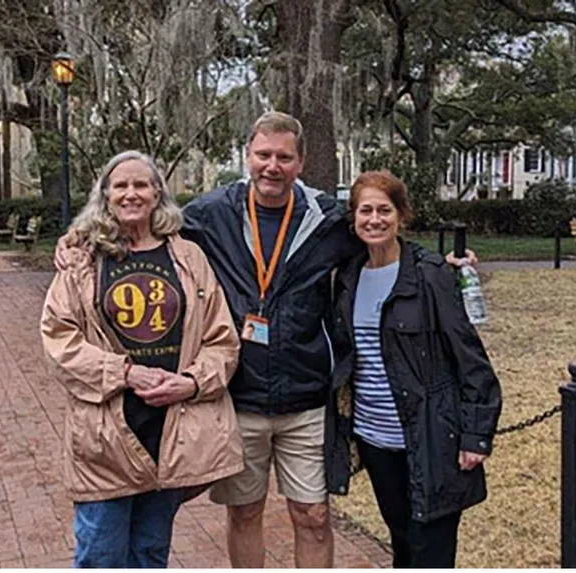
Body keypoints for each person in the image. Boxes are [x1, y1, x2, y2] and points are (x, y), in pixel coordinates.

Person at [55, 112, 476, 568]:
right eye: (263, 155)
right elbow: (142, 224)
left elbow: (381, 237)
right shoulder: (210, 214)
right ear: (247, 156)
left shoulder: (329, 219)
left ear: (301, 162)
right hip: (239, 399)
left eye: (283, 157)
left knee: (314, 516)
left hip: (306, 399)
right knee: (245, 513)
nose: (271, 166)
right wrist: (78, 234)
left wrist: (438, 265)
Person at [40, 150, 245, 568]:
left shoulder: (188, 258)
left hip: (170, 434)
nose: (131, 193)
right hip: (107, 434)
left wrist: (192, 381)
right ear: (106, 195)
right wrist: (126, 373)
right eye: (121, 185)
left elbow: (221, 339)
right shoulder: (83, 260)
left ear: (157, 194)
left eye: (140, 184)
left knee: (151, 553)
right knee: (101, 554)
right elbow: (59, 341)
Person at [324, 170, 502, 568]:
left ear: (401, 215)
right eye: (365, 210)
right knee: (402, 541)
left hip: (429, 435)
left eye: (384, 210)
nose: (374, 219)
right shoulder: (349, 277)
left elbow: (471, 359)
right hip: (375, 439)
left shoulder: (430, 273)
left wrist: (476, 435)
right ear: (353, 218)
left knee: (430, 551)